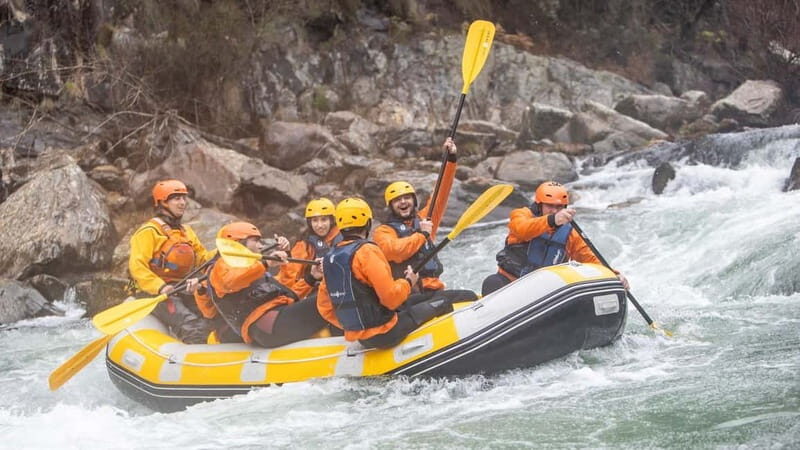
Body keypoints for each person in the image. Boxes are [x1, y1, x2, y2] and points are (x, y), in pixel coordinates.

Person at [317, 197, 455, 349]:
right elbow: (391, 299)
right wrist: (409, 281)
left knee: (415, 302)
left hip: (362, 338)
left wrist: (354, 326)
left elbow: (325, 307)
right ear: (368, 223)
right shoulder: (367, 251)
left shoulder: (329, 258)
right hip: (387, 333)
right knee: (443, 302)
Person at [481, 181, 630, 296]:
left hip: (542, 292)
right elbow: (522, 230)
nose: (554, 211)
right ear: (539, 205)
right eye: (550, 206)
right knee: (491, 282)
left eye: (559, 207)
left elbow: (590, 259)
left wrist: (613, 274)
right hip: (510, 282)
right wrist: (552, 220)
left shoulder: (570, 233)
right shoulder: (521, 215)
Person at [374, 137, 477, 303]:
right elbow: (394, 251)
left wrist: (450, 159)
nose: (403, 202)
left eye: (407, 198)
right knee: (468, 297)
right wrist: (422, 235)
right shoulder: (383, 231)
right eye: (397, 200)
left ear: (414, 201)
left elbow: (442, 192)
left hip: (435, 291)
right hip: (411, 297)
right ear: (391, 206)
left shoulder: (425, 219)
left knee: (469, 296)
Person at [194, 222, 327, 348]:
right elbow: (230, 282)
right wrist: (265, 264)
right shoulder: (219, 267)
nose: (261, 246)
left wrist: (311, 277)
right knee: (329, 297)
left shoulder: (252, 270)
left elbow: (286, 294)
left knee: (326, 295)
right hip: (269, 325)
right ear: (238, 242)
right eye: (256, 241)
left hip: (273, 321)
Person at [128, 179, 213, 344]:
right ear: (163, 203)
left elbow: (203, 259)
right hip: (153, 293)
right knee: (191, 324)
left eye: (184, 198)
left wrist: (224, 252)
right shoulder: (148, 232)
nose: (183, 203)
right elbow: (137, 266)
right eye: (176, 198)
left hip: (180, 287)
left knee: (210, 316)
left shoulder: (186, 232)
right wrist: (160, 287)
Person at [276, 197, 342, 299]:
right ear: (309, 223)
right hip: (315, 292)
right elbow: (289, 276)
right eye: (315, 220)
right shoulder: (305, 245)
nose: (319, 225)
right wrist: (287, 252)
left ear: (332, 220)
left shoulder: (344, 239)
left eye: (324, 219)